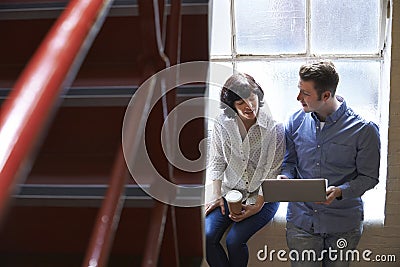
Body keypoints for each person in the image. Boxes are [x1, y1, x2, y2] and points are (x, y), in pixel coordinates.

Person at [279, 61, 380, 266]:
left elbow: (369, 178)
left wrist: (340, 191)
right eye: (299, 90)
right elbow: (289, 163)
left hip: (343, 223)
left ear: (326, 96)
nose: (298, 98)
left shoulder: (364, 130)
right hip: (302, 221)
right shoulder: (295, 122)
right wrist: (285, 178)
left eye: (305, 93)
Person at [205, 72, 285, 267]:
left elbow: (272, 173)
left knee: (234, 241)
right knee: (207, 238)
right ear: (231, 105)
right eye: (240, 102)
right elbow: (216, 160)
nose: (248, 106)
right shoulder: (222, 125)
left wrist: (257, 206)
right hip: (230, 193)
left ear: (258, 96)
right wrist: (216, 195)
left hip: (264, 197)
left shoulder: (275, 128)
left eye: (251, 98)